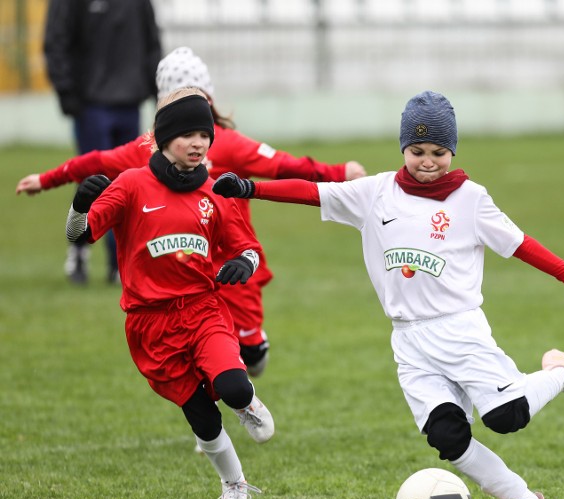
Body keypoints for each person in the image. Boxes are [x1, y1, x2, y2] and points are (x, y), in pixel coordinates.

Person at [213, 91, 564, 499]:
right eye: (417, 151)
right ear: (403, 148)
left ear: (453, 150)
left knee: (506, 417)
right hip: (409, 339)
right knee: (447, 436)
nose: (428, 161)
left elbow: (520, 245)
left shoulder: (471, 198)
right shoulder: (375, 193)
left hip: (461, 330)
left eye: (439, 152)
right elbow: (312, 192)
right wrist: (250, 187)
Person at [18, 46, 368, 378]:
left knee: (252, 356)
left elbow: (284, 165)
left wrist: (339, 173)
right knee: (200, 353)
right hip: (180, 270)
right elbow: (97, 161)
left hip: (235, 261)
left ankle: (247, 362)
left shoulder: (230, 143)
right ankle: (210, 425)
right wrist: (47, 179)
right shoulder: (146, 148)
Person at [64, 87, 275, 499]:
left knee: (231, 384)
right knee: (201, 416)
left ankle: (246, 401)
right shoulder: (130, 185)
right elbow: (78, 235)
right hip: (150, 324)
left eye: (205, 134)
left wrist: (244, 265)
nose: (198, 143)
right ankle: (234, 485)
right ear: (163, 139)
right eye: (188, 135)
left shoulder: (215, 192)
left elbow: (248, 248)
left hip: (203, 310)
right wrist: (79, 204)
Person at [44, 0, 162, 284]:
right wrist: (66, 91)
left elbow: (151, 39)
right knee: (93, 179)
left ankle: (119, 262)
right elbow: (57, 39)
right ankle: (80, 250)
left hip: (130, 100)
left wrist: (159, 92)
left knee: (129, 181)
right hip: (91, 102)